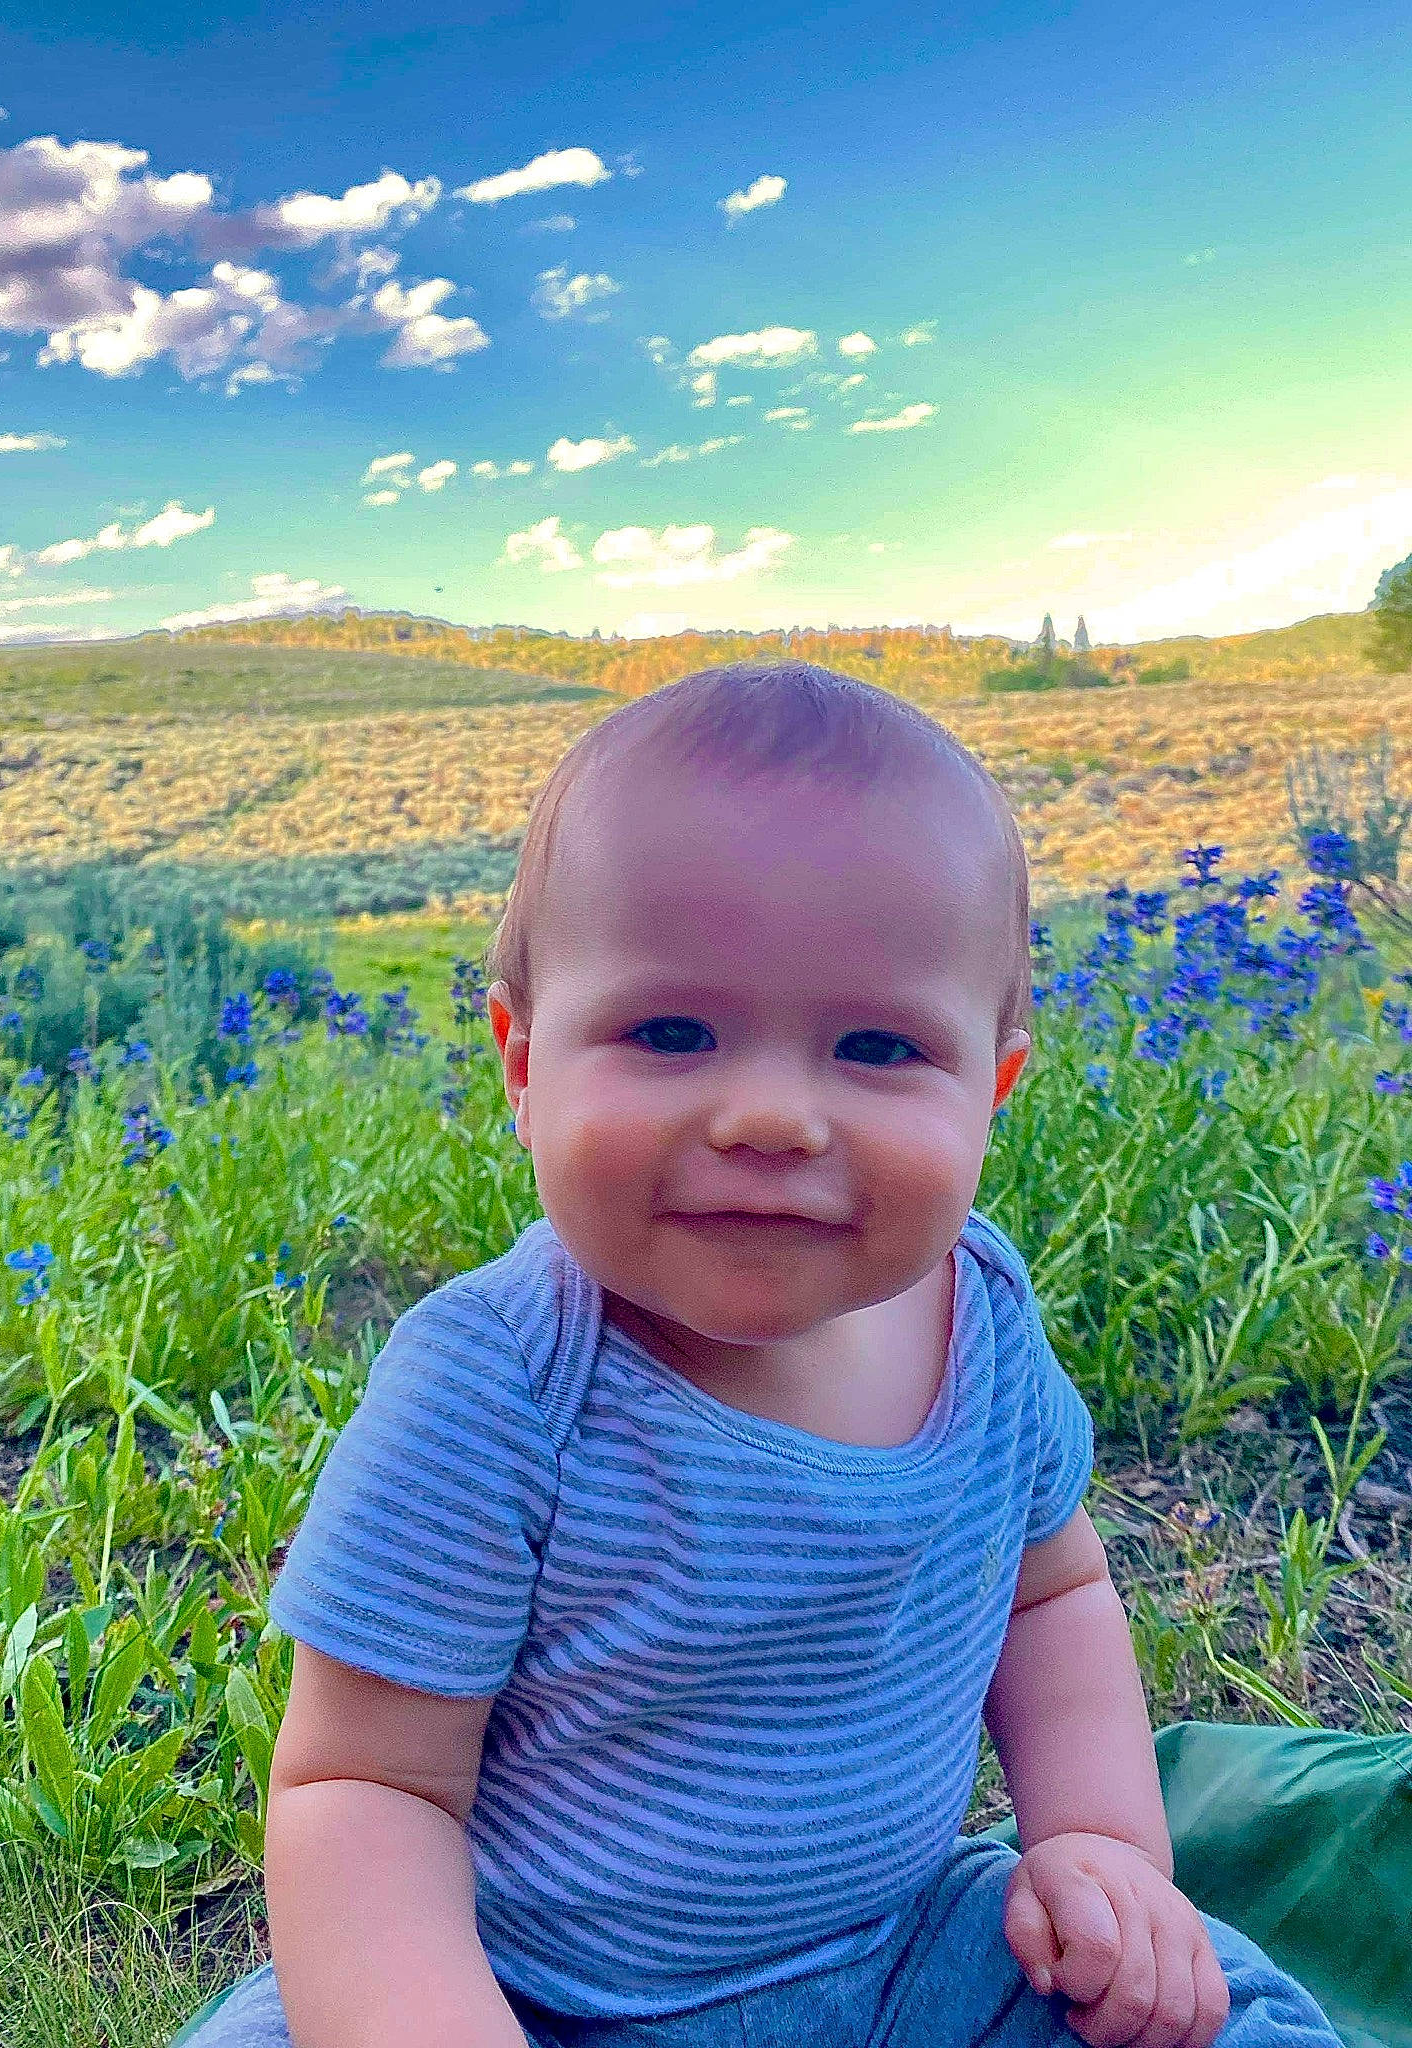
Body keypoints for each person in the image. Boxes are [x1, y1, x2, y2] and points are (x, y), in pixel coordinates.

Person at [178, 662, 1341, 2048]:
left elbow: (1052, 1594)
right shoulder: (497, 1388)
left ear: (994, 1089)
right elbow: (364, 1793)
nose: (773, 1116)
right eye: (672, 1032)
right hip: (526, 1991)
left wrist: (1097, 1842)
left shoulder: (985, 1319)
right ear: (524, 1063)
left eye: (877, 1046)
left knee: (1220, 2004)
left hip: (904, 1955)